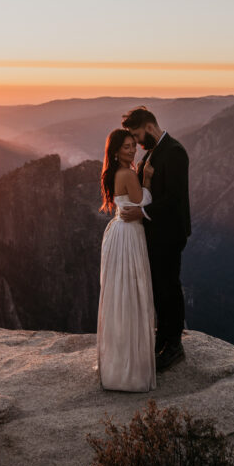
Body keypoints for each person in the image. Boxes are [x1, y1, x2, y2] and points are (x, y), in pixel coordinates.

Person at [119, 107, 191, 371]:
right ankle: (163, 338)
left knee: (170, 287)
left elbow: (174, 198)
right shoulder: (151, 154)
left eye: (137, 135)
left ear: (149, 127)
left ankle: (174, 346)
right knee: (159, 288)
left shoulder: (174, 152)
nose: (137, 142)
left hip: (170, 233)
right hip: (154, 233)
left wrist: (142, 212)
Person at [96, 128, 156, 391]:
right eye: (127, 147)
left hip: (117, 231)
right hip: (130, 235)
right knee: (132, 292)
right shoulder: (128, 174)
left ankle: (118, 360)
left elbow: (127, 206)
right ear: (116, 150)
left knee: (119, 295)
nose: (132, 150)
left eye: (133, 145)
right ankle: (131, 367)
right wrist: (148, 179)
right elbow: (142, 201)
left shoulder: (110, 174)